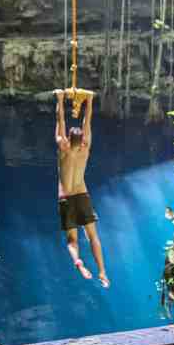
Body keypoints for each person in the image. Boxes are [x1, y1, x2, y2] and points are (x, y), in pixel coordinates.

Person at [54, 89, 109, 288]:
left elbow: (60, 121)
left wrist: (60, 99)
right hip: (82, 194)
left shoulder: (64, 149)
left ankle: (79, 263)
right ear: (82, 140)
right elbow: (88, 121)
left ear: (68, 139)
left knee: (72, 241)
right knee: (93, 236)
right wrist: (89, 101)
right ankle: (102, 271)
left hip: (66, 199)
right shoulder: (85, 149)